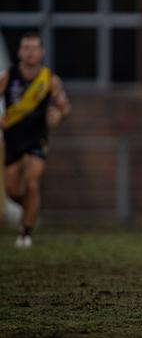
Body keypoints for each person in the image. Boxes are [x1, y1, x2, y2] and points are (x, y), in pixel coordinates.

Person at [0, 32, 71, 248]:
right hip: (12, 140)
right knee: (12, 191)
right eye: (26, 48)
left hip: (36, 139)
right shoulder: (8, 77)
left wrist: (58, 114)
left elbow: (64, 106)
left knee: (31, 181)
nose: (30, 52)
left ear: (42, 52)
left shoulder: (49, 79)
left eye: (34, 48)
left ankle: (26, 231)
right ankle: (31, 209)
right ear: (20, 52)